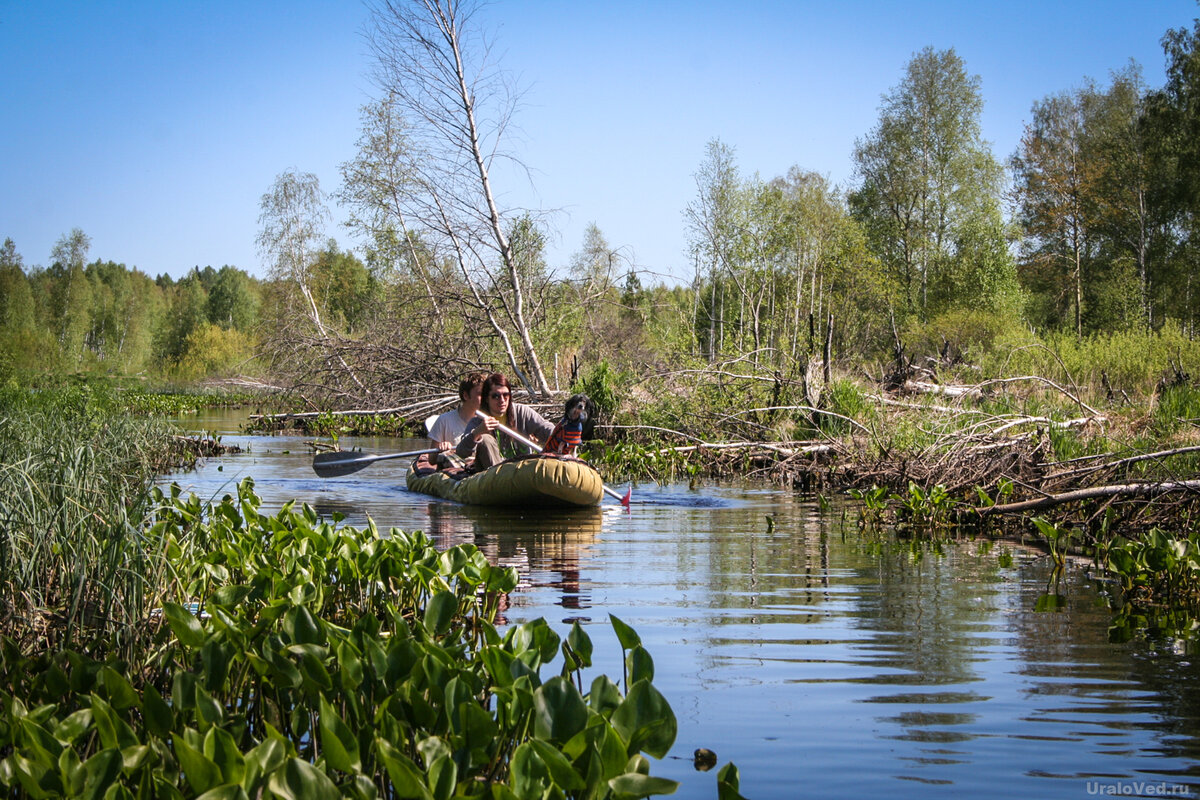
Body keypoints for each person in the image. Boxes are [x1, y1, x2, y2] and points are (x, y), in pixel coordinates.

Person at [456, 372, 554, 471]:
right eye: (496, 396)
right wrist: (477, 432)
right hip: (494, 477)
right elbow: (461, 452)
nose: (502, 400)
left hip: (522, 473)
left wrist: (564, 435)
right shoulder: (478, 421)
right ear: (486, 398)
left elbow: (546, 428)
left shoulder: (522, 412)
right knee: (485, 438)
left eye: (506, 395)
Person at [428, 371, 487, 451]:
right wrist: (441, 448)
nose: (485, 398)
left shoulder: (488, 422)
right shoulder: (444, 420)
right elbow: (431, 459)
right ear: (466, 395)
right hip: (453, 462)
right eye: (480, 394)